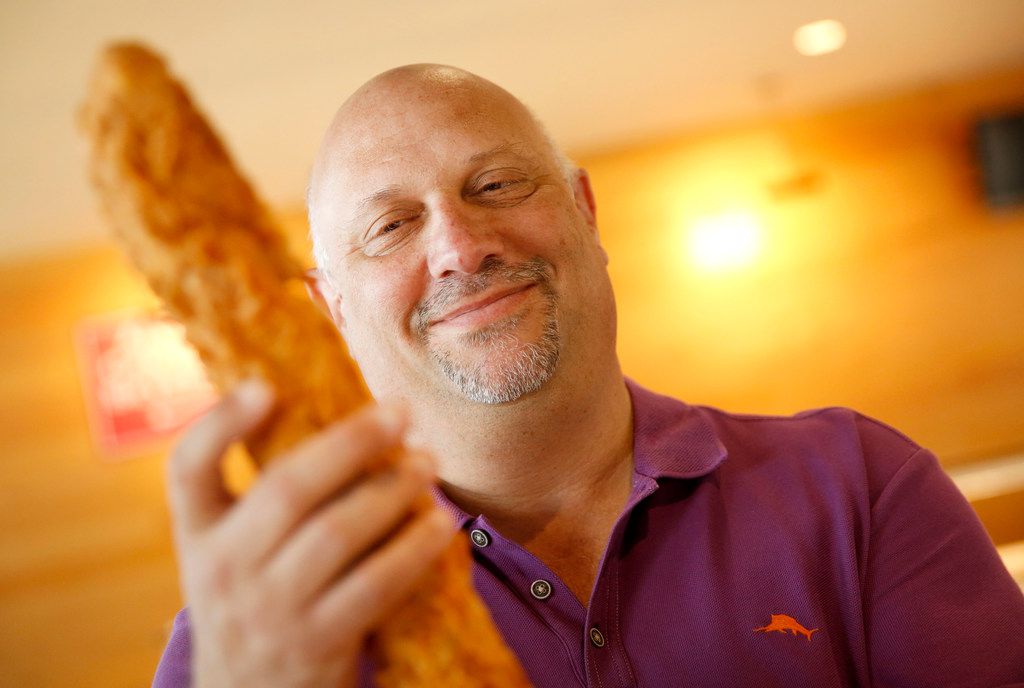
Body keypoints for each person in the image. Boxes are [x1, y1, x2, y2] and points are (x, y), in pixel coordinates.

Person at [153, 65, 1024, 687]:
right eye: (391, 226)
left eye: (495, 184)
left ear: (584, 210)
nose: (460, 247)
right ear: (333, 306)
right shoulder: (250, 632)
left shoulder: (858, 487)